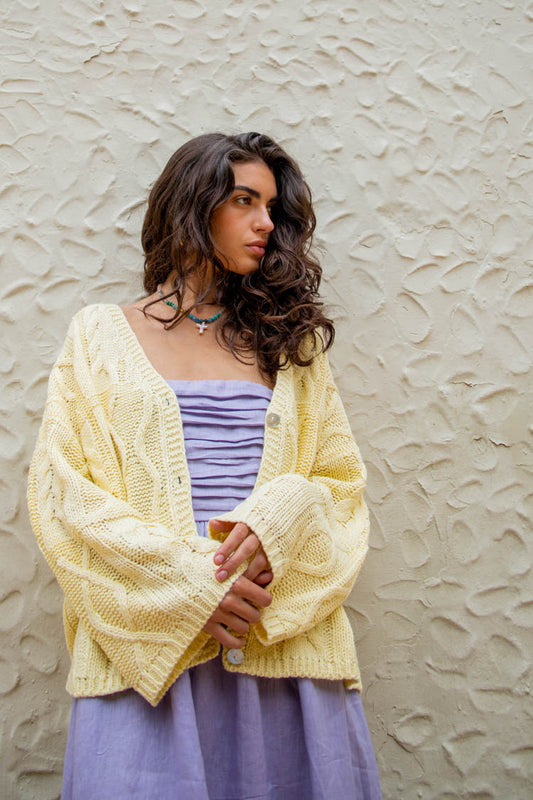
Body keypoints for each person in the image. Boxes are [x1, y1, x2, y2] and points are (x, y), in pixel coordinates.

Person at [27, 132, 382, 799]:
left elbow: (341, 489)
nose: (264, 223)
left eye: (271, 207)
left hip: (281, 653)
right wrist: (193, 585)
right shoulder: (99, 335)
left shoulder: (291, 342)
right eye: (244, 200)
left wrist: (283, 520)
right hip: (146, 657)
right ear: (191, 205)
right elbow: (65, 498)